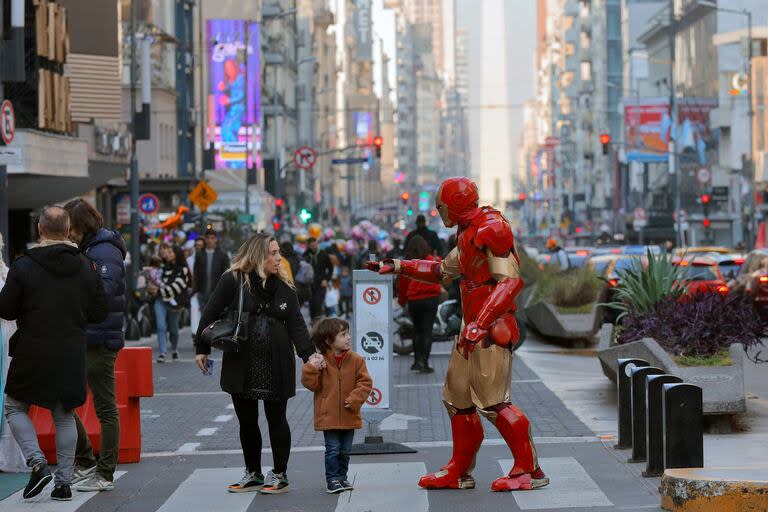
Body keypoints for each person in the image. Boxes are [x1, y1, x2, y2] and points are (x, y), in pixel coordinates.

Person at [366, 177, 548, 492]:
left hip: (490, 328)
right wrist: (397, 265)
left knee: (494, 403)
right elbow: (440, 271)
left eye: (442, 206)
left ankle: (529, 469)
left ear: (453, 205)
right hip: (471, 327)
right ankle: (460, 470)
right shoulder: (468, 233)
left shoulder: (492, 228)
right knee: (458, 400)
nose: (439, 213)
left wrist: (483, 320)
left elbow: (510, 281)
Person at [0, 206, 108, 501]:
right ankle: (63, 483)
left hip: (31, 349)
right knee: (64, 415)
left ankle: (37, 463)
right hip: (71, 349)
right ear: (69, 229)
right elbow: (100, 311)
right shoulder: (86, 266)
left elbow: (5, 308)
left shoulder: (24, 266)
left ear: (41, 230)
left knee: (14, 407)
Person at [195, 233, 314, 494]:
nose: (278, 257)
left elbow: (296, 324)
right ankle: (254, 473)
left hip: (276, 362)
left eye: (278, 252)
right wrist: (201, 348)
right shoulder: (233, 280)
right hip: (242, 362)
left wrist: (310, 355)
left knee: (276, 419)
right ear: (259, 255)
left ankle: (279, 474)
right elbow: (210, 313)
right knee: (247, 421)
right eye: (272, 253)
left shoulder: (285, 285)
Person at [63, 199, 127, 492]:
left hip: (100, 338)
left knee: (105, 408)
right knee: (62, 398)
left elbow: (103, 290)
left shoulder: (103, 251)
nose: (69, 233)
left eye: (71, 227)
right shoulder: (90, 249)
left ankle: (105, 473)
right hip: (86, 336)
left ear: (81, 225)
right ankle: (87, 459)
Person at [301, 318, 372, 494]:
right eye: (343, 335)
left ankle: (342, 477)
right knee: (333, 449)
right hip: (328, 415)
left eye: (347, 333)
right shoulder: (321, 361)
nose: (348, 337)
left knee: (346, 450)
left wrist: (355, 399)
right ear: (328, 341)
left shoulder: (356, 359)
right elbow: (311, 384)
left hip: (350, 413)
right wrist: (311, 368)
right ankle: (332, 479)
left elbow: (365, 383)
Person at [0, 233, 26, 473]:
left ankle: (5, 454)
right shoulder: (7, 273)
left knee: (6, 391)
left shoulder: (8, 273)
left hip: (6, 335)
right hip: (7, 333)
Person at [399, 235, 442, 373]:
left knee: (416, 330)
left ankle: (416, 362)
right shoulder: (432, 260)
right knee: (427, 330)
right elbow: (441, 273)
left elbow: (402, 284)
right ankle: (424, 362)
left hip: (414, 300)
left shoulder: (408, 263)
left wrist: (402, 301)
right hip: (430, 299)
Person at [149, 243, 191, 363]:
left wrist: (158, 291)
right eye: (167, 251)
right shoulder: (162, 268)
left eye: (171, 252)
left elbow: (176, 287)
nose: (167, 254)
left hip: (174, 303)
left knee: (174, 329)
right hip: (161, 301)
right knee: (161, 326)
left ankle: (174, 348)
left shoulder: (183, 270)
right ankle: (162, 352)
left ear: (177, 254)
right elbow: (155, 281)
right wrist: (152, 288)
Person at [193, 229, 230, 312]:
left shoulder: (222, 255)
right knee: (203, 317)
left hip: (217, 293)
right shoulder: (199, 254)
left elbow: (226, 274)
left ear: (216, 239)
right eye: (208, 238)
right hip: (202, 293)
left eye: (212, 238)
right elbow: (196, 273)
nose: (210, 240)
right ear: (205, 239)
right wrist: (195, 290)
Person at [303, 237, 334, 322]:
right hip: (309, 284)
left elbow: (330, 268)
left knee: (318, 303)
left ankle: (318, 323)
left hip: (321, 284)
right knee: (311, 304)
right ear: (308, 246)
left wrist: (327, 279)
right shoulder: (305, 256)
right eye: (312, 245)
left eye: (315, 244)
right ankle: (314, 321)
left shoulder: (323, 254)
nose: (314, 247)